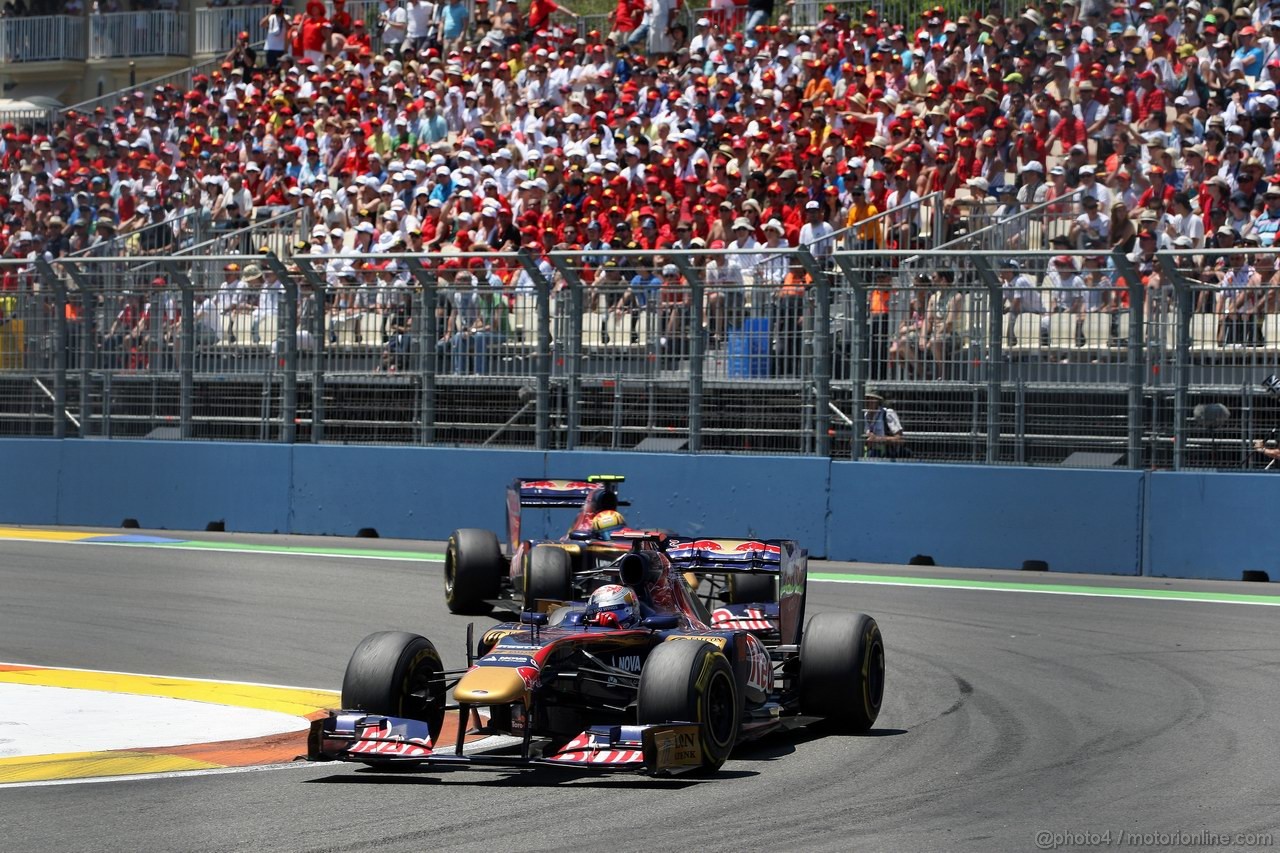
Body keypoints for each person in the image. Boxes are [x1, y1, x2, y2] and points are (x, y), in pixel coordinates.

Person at [862, 388, 906, 460]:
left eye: (871, 399)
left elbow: (900, 439)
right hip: (867, 457)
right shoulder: (862, 416)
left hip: (887, 458)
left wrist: (878, 439)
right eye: (866, 398)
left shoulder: (887, 413)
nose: (868, 401)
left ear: (877, 401)